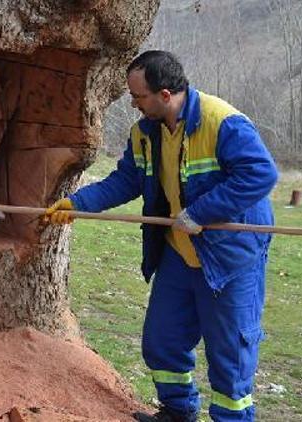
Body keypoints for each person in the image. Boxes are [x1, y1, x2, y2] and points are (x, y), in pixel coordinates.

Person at [44, 51, 278, 422]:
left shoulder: (223, 122)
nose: (134, 104)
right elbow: (126, 180)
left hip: (229, 256)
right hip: (178, 253)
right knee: (162, 340)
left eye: (139, 97)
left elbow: (260, 175)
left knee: (230, 354)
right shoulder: (144, 133)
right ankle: (178, 412)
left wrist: (201, 213)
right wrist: (78, 202)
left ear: (165, 94)